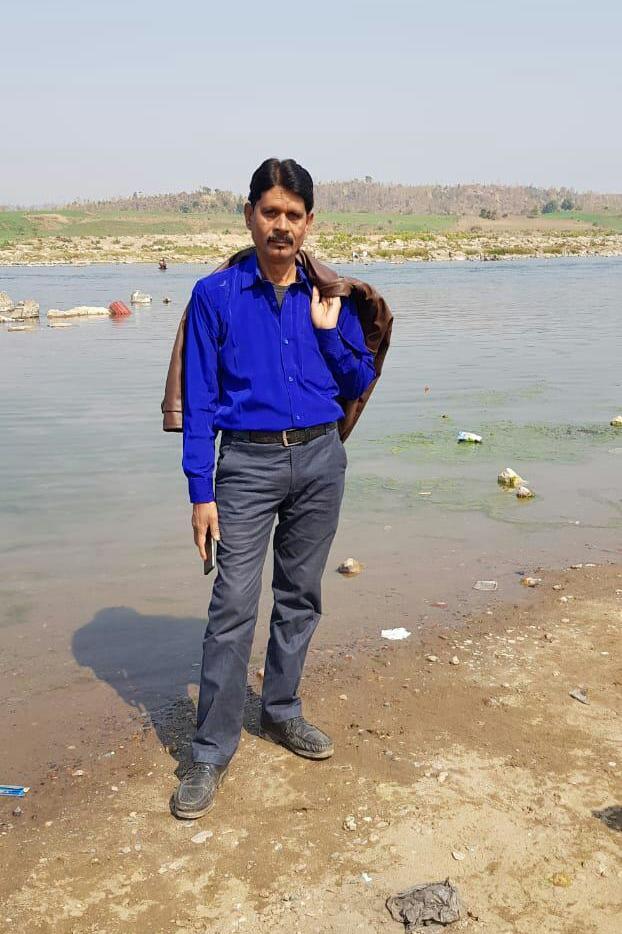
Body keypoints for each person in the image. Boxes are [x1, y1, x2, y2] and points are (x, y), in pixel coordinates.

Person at [172, 158, 377, 820]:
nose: (281, 225)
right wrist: (200, 491)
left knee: (300, 596)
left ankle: (282, 711)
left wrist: (329, 334)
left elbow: (358, 378)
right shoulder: (216, 296)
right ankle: (210, 750)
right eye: (270, 212)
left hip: (320, 459)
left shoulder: (330, 293)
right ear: (249, 216)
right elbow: (200, 403)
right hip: (246, 467)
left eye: (293, 215)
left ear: (309, 222)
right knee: (233, 604)